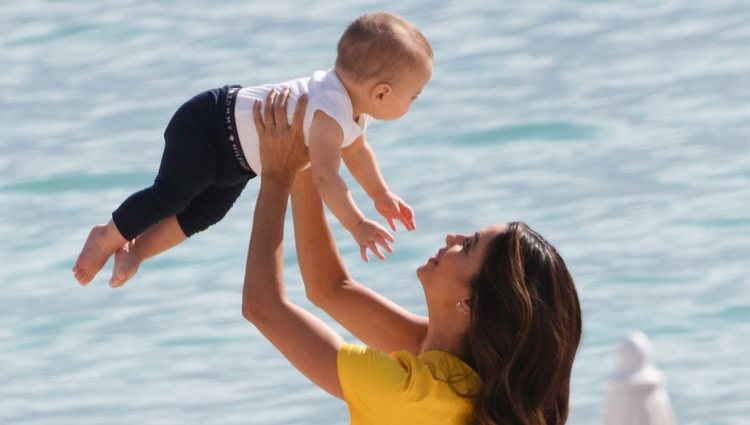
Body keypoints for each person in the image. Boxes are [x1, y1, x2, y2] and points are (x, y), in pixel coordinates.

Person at [243, 83, 583, 424]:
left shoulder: (407, 391)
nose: (452, 235)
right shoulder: (467, 376)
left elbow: (263, 307)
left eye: (467, 246)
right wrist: (308, 159)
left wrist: (276, 176)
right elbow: (330, 289)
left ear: (469, 305)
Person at [73, 11, 432, 287]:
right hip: (210, 128)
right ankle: (106, 236)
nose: (413, 103)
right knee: (171, 196)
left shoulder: (351, 109)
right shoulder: (330, 110)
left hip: (239, 161)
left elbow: (357, 152)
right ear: (381, 92)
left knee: (205, 214)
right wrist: (356, 225)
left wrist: (381, 195)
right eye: (413, 96)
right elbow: (327, 178)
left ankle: (138, 251)